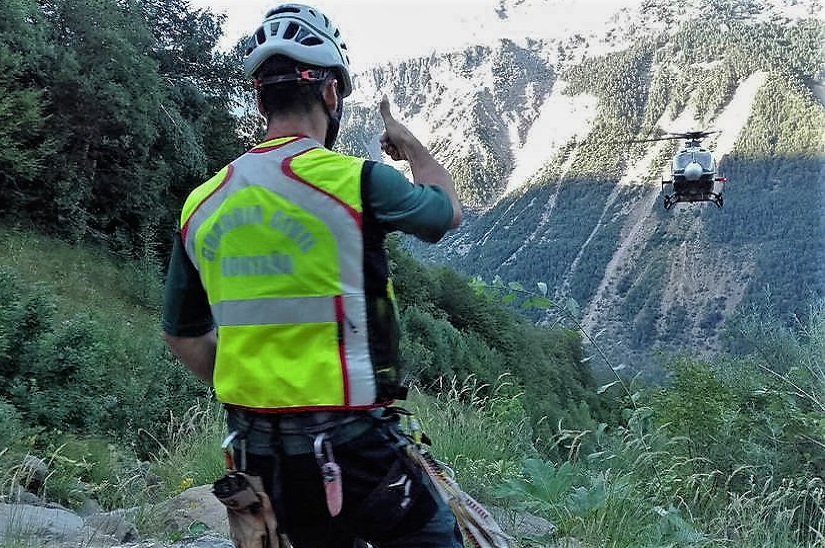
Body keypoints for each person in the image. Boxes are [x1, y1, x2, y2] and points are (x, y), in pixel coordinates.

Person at [161, 3, 464, 547]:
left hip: (261, 459)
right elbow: (444, 213)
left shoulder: (202, 206)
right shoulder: (357, 182)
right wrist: (411, 145)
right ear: (330, 95)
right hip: (357, 448)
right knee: (433, 535)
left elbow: (182, 335)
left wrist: (260, 387)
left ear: (259, 99)